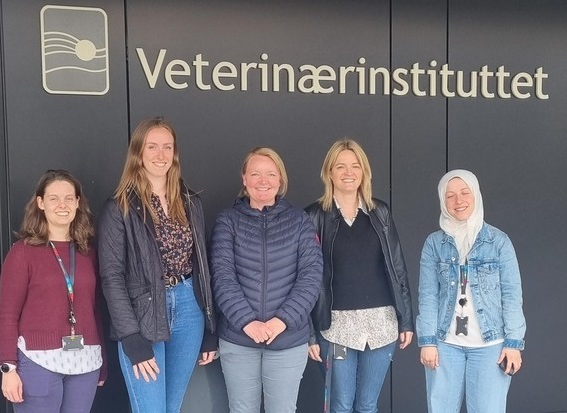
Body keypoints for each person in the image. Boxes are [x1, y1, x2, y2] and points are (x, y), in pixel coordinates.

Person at [97, 117, 217, 413]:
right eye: (152, 147)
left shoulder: (190, 202)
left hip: (189, 308)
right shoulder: (119, 207)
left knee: (171, 408)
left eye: (167, 147)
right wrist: (130, 336)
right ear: (138, 152)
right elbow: (111, 277)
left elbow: (202, 265)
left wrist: (211, 328)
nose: (161, 155)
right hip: (143, 314)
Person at [305, 139, 414, 413]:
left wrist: (407, 320)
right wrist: (309, 333)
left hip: (381, 324)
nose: (348, 172)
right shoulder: (313, 216)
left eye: (355, 166)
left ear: (364, 172)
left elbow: (397, 266)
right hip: (336, 328)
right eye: (340, 166)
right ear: (329, 172)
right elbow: (305, 279)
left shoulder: (380, 212)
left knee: (367, 405)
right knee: (340, 405)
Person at [210, 147, 323, 413]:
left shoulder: (299, 221)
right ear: (244, 179)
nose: (263, 181)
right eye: (256, 174)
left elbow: (311, 276)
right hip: (239, 339)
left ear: (280, 180)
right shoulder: (228, 221)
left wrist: (280, 321)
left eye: (271, 174)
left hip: (287, 340)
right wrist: (247, 322)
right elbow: (222, 275)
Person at [0, 169, 107, 413]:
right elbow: (7, 315)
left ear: (78, 203)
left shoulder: (87, 252)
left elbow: (94, 309)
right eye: (54, 198)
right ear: (40, 203)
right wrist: (8, 367)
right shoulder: (22, 252)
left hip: (85, 362)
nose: (62, 204)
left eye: (69, 198)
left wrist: (103, 361)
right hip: (38, 362)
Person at [417, 169, 526, 413]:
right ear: (443, 201)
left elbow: (511, 294)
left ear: (476, 195)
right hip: (445, 344)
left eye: (465, 193)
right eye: (450, 196)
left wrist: (514, 343)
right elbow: (427, 295)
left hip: (492, 346)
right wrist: (427, 342)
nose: (459, 201)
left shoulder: (499, 241)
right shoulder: (434, 243)